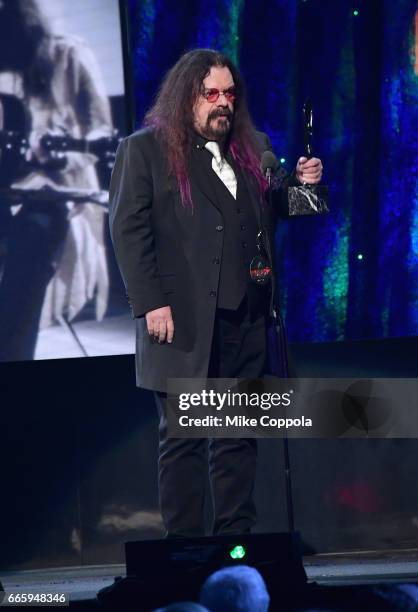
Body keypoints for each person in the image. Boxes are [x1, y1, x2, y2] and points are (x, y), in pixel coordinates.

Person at [109, 49, 323, 537]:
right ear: (188, 97)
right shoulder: (145, 150)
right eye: (211, 94)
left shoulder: (253, 149)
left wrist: (305, 188)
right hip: (181, 318)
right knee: (184, 437)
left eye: (229, 94)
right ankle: (185, 547)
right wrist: (150, 302)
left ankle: (234, 544)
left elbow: (277, 210)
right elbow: (128, 229)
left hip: (246, 319)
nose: (222, 103)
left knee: (237, 437)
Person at [0, 0, 112, 362]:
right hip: (8, 192)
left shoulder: (69, 56)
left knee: (35, 233)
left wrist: (62, 156)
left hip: (61, 199)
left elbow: (100, 134)